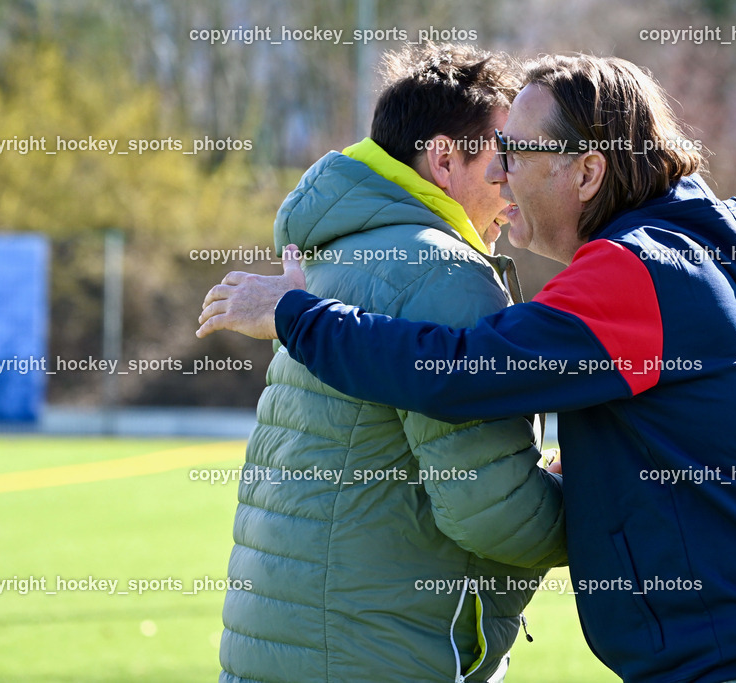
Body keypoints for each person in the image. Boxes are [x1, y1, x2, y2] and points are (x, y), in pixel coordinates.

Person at [199, 54, 736, 682]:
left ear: (588, 173)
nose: (502, 174)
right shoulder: (684, 249)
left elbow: (457, 375)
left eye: (516, 152)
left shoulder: (635, 271)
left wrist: (296, 316)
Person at [208, 44, 567, 683]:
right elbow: (495, 514)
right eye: (502, 154)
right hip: (377, 655)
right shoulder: (445, 273)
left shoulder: (338, 251)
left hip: (273, 646)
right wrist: (595, 496)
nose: (515, 176)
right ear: (445, 158)